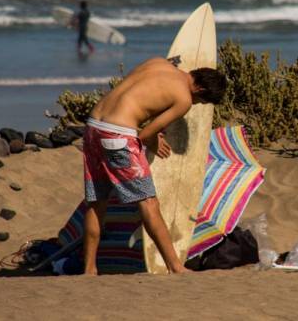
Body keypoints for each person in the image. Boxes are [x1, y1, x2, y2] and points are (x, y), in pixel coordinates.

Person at [82, 57, 227, 275]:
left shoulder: (159, 63)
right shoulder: (184, 98)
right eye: (201, 100)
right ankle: (176, 266)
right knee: (149, 203)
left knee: (97, 201)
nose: (196, 104)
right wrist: (155, 142)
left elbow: (145, 90)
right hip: (119, 136)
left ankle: (89, 269)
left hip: (93, 127)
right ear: (199, 88)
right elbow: (146, 133)